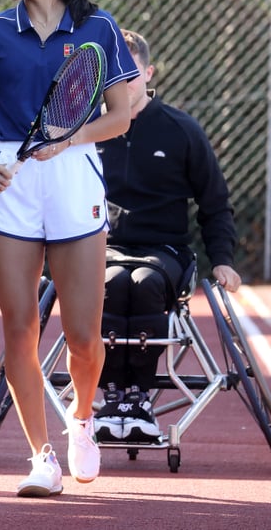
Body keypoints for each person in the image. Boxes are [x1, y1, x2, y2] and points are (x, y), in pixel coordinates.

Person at [0, 0, 139, 498]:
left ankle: (82, 419)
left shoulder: (99, 28)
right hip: (11, 182)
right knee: (20, 328)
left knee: (84, 336)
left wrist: (69, 139)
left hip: (73, 177)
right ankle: (41, 455)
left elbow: (120, 115)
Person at [93, 29, 241, 443]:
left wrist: (223, 260)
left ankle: (138, 397)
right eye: (113, 75)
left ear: (149, 73)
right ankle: (113, 395)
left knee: (143, 283)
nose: (122, 84)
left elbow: (215, 202)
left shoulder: (181, 130)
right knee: (111, 282)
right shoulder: (88, 129)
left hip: (164, 250)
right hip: (101, 248)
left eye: (131, 74)